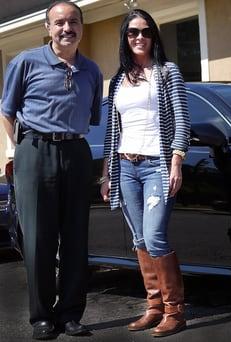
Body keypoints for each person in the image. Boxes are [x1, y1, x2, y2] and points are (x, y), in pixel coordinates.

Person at [0, 1, 103, 340]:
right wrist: (15, 151)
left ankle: (71, 314)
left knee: (75, 238)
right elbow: (7, 111)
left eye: (73, 22)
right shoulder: (25, 62)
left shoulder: (92, 71)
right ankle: (42, 317)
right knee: (39, 240)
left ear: (81, 26)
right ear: (48, 28)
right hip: (34, 151)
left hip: (75, 151)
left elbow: (90, 117)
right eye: (59, 23)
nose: (66, 28)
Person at [100, 9, 190, 338]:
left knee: (155, 237)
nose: (139, 37)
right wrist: (108, 173)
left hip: (157, 166)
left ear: (154, 36)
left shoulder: (167, 72)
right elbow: (113, 131)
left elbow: (182, 120)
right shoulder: (118, 79)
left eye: (145, 31)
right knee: (139, 239)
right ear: (125, 38)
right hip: (125, 166)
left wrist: (176, 161)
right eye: (132, 32)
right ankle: (153, 307)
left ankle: (175, 311)